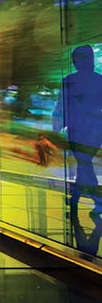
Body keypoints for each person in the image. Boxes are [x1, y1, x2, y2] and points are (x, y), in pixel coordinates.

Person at [53, 45, 102, 221]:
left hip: (89, 132)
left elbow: (61, 107)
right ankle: (85, 200)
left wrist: (56, 129)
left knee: (84, 163)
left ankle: (83, 199)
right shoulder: (72, 81)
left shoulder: (95, 81)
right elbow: (61, 106)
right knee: (84, 164)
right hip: (83, 131)